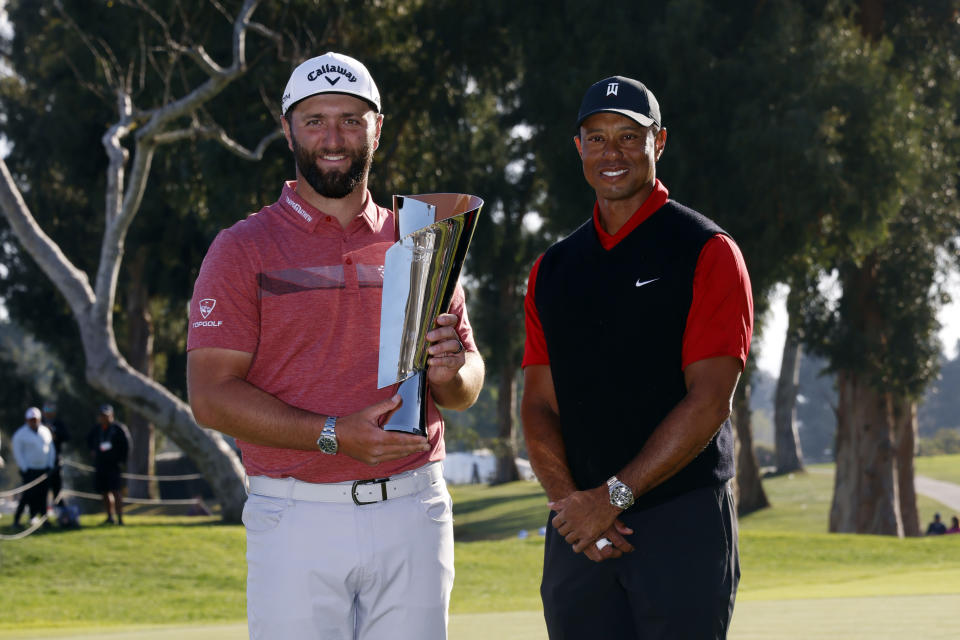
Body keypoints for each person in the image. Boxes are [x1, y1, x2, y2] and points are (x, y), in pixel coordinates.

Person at [186, 51, 484, 640]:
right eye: (315, 119)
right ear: (287, 127)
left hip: (413, 506)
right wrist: (331, 432)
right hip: (294, 513)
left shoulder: (421, 234)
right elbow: (210, 397)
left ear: (378, 127)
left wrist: (452, 371)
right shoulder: (243, 247)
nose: (333, 137)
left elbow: (465, 383)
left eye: (351, 119)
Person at [521, 76, 753, 639]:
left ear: (660, 142)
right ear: (578, 148)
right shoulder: (552, 268)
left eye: (629, 137)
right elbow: (537, 404)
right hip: (579, 530)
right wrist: (572, 507)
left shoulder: (707, 250)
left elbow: (709, 401)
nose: (612, 153)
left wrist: (613, 497)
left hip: (681, 520)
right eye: (596, 138)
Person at [86, 404, 131, 525]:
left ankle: (120, 518)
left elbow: (126, 446)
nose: (104, 418)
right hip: (101, 465)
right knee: (104, 491)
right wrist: (93, 451)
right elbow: (89, 441)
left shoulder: (118, 429)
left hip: (114, 465)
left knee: (116, 491)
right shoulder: (96, 429)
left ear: (112, 416)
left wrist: (122, 461)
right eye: (102, 416)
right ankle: (110, 516)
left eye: (106, 416)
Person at [12, 407, 56, 528]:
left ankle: (43, 518)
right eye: (31, 419)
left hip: (44, 469)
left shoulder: (45, 431)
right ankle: (17, 519)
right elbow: (18, 452)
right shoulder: (20, 434)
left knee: (43, 495)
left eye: (35, 419)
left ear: (39, 419)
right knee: (27, 495)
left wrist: (50, 464)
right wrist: (24, 468)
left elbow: (51, 448)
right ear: (27, 420)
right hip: (30, 470)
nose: (33, 421)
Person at [42, 402, 71, 507]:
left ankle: (60, 512)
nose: (48, 412)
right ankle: (42, 512)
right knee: (42, 488)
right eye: (46, 410)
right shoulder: (39, 423)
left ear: (54, 412)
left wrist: (55, 434)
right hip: (41, 461)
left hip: (55, 460)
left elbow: (67, 437)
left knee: (56, 487)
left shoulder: (59, 423)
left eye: (50, 410)